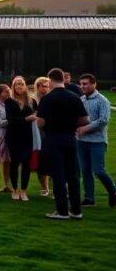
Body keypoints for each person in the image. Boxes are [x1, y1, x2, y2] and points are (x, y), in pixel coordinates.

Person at [37, 67, 89, 219]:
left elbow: (40, 122)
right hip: (70, 138)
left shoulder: (47, 99)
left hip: (54, 138)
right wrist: (71, 124)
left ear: (50, 80)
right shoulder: (74, 97)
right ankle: (76, 210)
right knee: (73, 175)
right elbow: (85, 120)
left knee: (58, 175)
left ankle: (62, 211)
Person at [75, 73, 116, 208]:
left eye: (85, 84)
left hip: (97, 141)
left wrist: (86, 128)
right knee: (85, 170)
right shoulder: (81, 100)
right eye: (81, 84)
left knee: (98, 170)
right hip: (81, 141)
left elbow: (103, 120)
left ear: (94, 84)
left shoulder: (102, 100)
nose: (82, 86)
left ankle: (113, 191)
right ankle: (89, 198)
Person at [5, 76, 37, 202]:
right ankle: (14, 189)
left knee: (26, 163)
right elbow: (11, 118)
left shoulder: (31, 101)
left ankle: (23, 190)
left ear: (25, 86)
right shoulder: (10, 101)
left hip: (27, 135)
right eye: (16, 84)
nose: (19, 86)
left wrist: (35, 116)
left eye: (21, 84)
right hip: (14, 136)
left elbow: (37, 113)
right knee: (15, 162)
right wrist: (26, 119)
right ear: (13, 87)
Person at [31, 76, 51, 196]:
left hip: (50, 132)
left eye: (48, 86)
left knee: (53, 160)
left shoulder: (51, 98)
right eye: (44, 86)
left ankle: (57, 188)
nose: (47, 88)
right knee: (40, 161)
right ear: (37, 86)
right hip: (37, 133)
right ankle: (44, 188)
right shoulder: (32, 100)